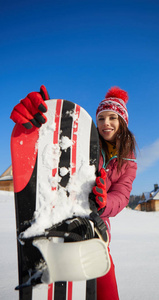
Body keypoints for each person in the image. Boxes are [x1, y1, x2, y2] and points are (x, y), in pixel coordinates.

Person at [10, 85, 137, 300]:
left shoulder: (128, 162)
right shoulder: (85, 145)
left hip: (96, 226)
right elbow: (59, 151)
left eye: (112, 118)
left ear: (122, 122)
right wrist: (45, 120)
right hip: (58, 212)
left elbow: (122, 195)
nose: (106, 123)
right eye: (101, 118)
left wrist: (104, 203)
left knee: (107, 288)